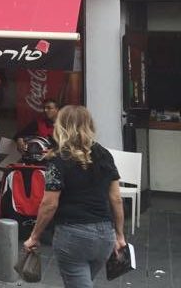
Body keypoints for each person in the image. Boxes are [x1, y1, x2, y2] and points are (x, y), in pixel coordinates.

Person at [23, 105, 126, 288]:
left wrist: (34, 236)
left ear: (61, 126)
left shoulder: (58, 159)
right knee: (82, 282)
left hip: (72, 235)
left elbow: (49, 204)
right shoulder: (105, 155)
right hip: (104, 235)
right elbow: (116, 199)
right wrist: (119, 235)